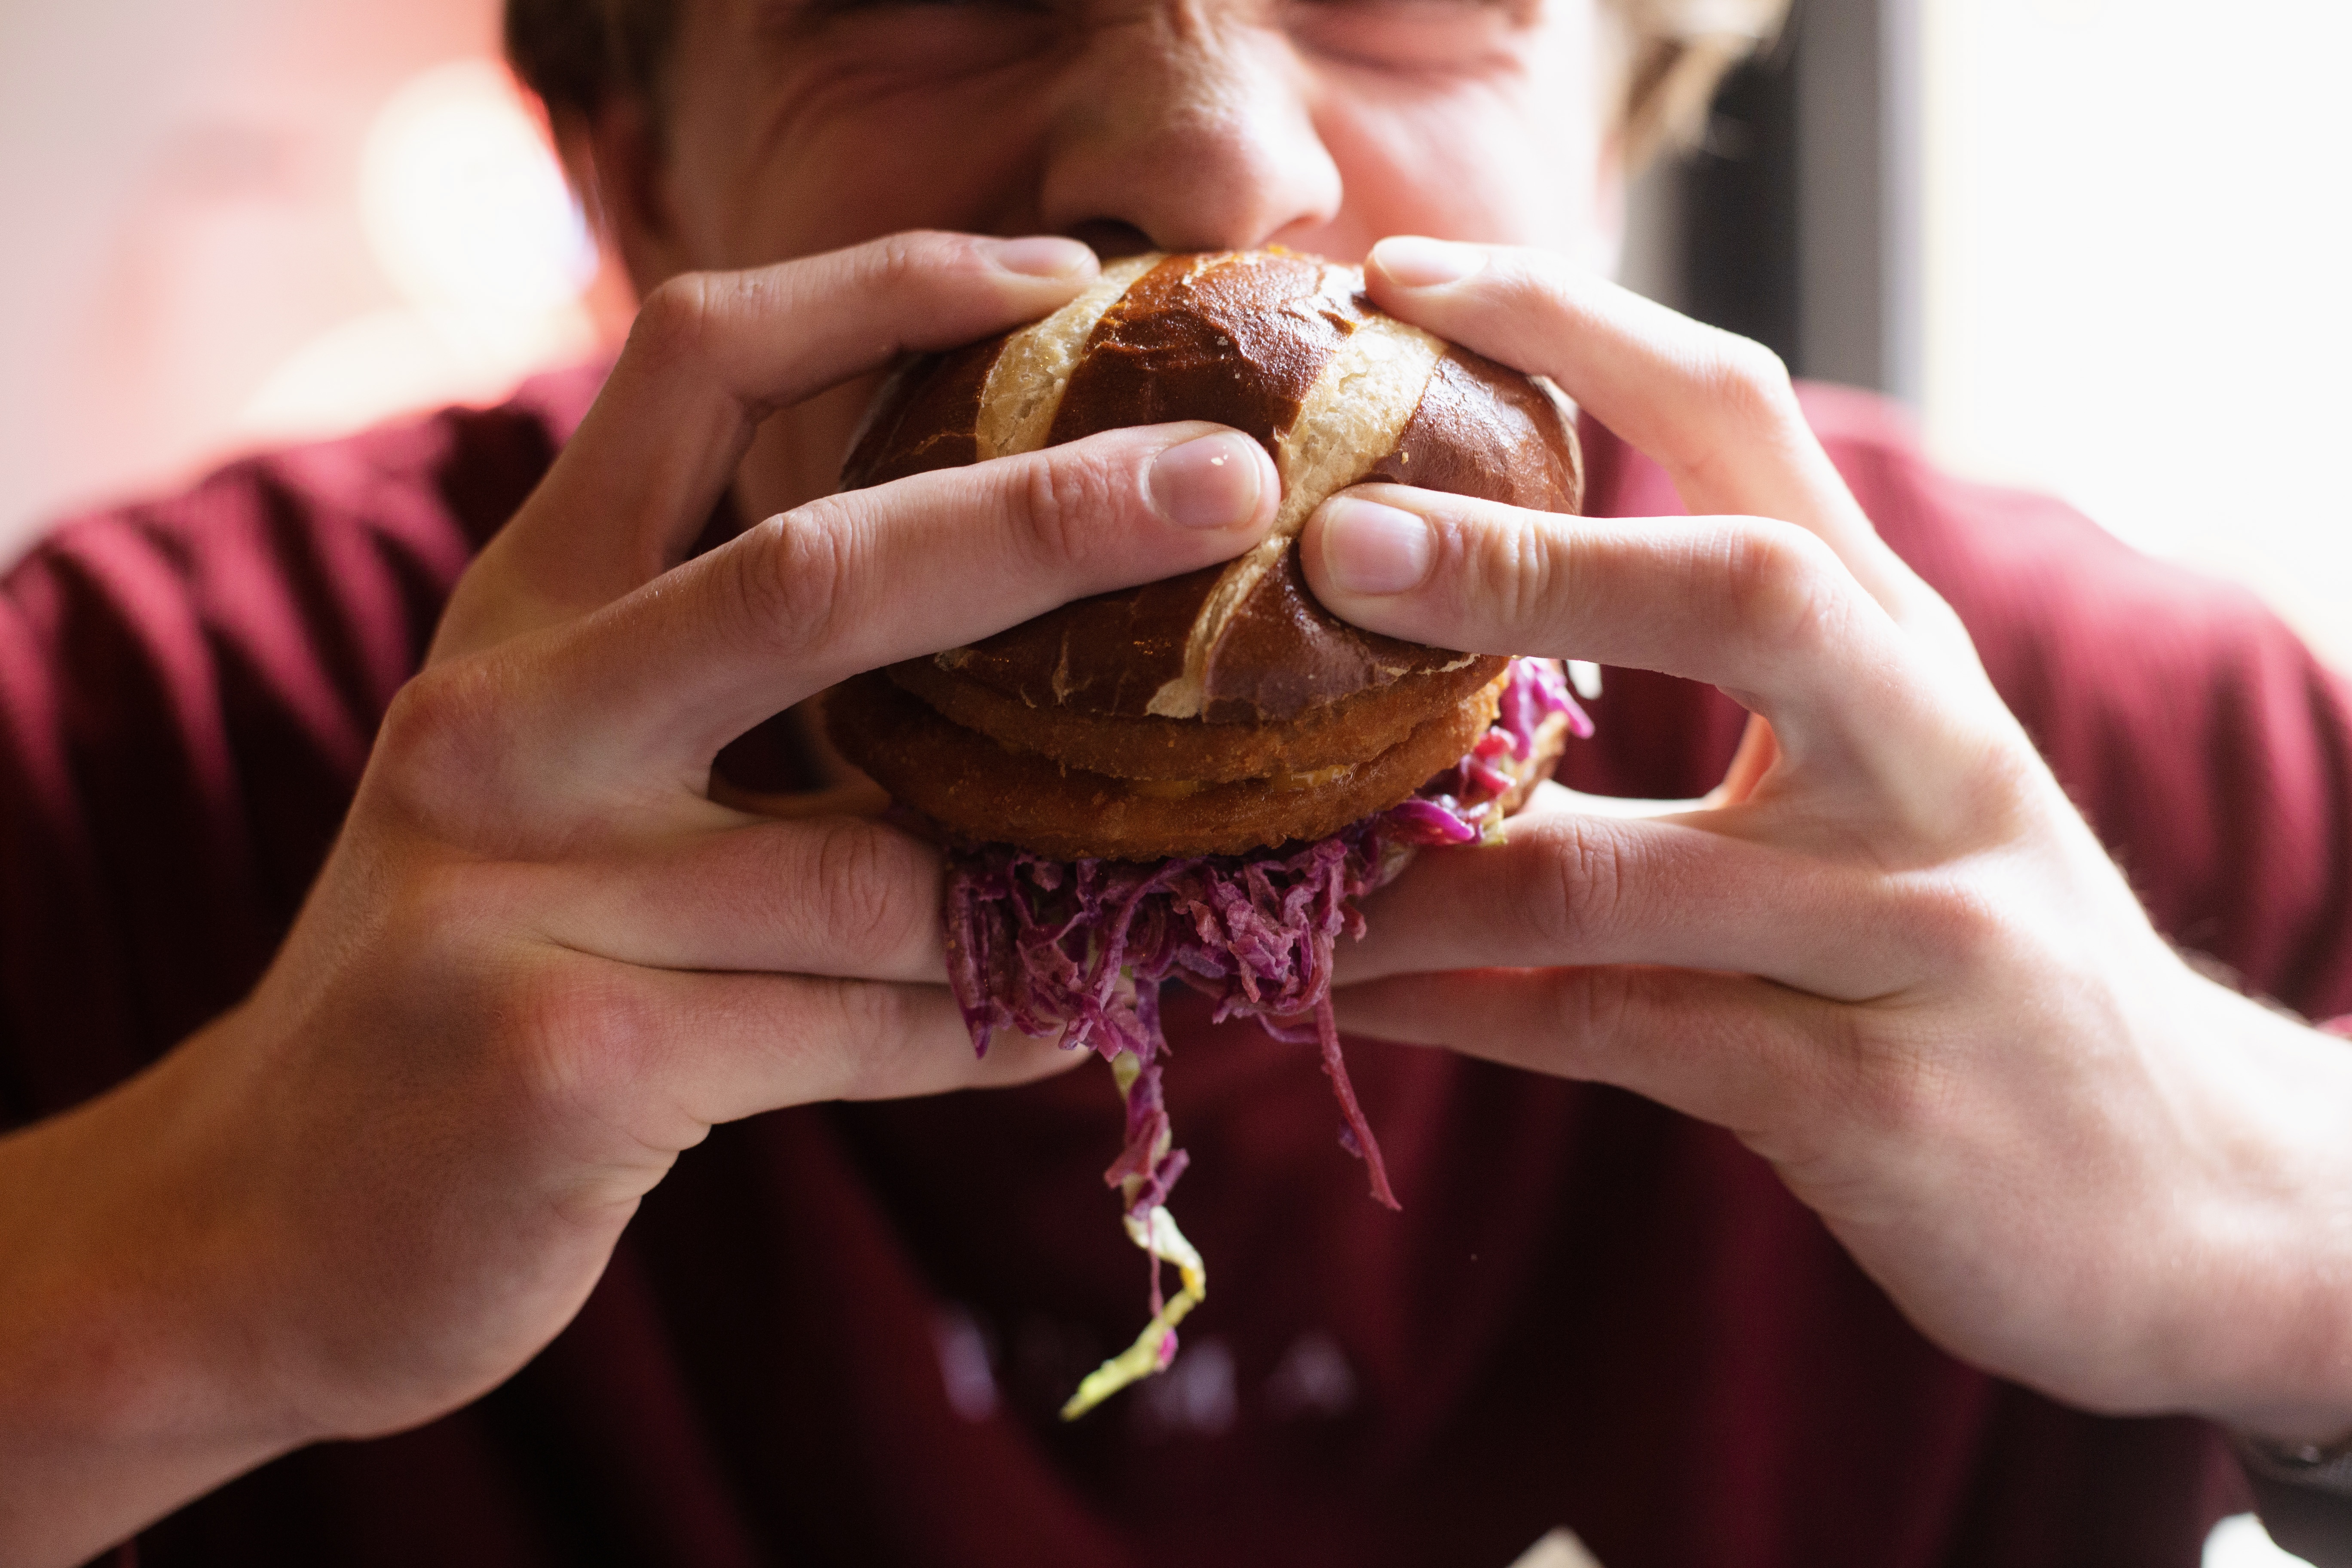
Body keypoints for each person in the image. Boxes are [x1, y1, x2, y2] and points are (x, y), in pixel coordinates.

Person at [2, 0, 2349, 1562]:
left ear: (1615, 89)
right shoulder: (133, 752)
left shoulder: (2130, 759)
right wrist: (168, 1273)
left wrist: (2281, 1236)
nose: (1211, 155)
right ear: (637, 176)